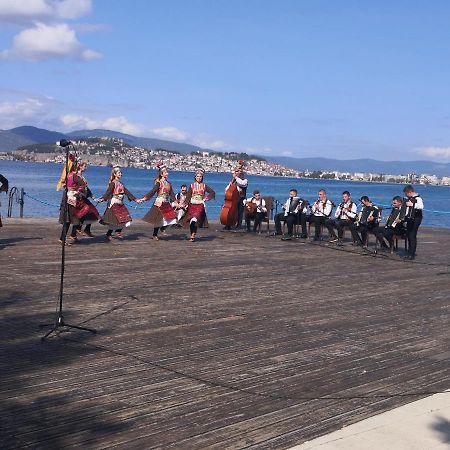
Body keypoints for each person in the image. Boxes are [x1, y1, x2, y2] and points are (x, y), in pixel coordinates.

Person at [96, 166, 138, 242]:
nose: (121, 174)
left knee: (125, 218)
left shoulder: (121, 184)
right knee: (114, 221)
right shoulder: (113, 183)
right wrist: (102, 199)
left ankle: (117, 231)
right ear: (115, 174)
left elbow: (127, 193)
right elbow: (108, 193)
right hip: (114, 203)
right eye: (119, 173)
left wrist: (135, 199)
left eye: (121, 173)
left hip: (120, 203)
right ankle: (109, 234)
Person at [138, 163, 178, 240]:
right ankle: (154, 235)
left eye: (167, 172)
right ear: (162, 174)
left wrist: (176, 202)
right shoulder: (159, 183)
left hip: (166, 202)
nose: (167, 173)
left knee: (172, 217)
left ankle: (162, 229)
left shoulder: (169, 184)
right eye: (166, 172)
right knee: (158, 219)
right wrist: (144, 198)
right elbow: (152, 192)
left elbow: (172, 194)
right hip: (159, 202)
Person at [181, 167, 215, 242]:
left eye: (200, 176)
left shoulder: (204, 186)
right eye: (197, 176)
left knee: (195, 219)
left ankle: (193, 235)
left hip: (200, 205)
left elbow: (212, 192)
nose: (199, 178)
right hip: (192, 205)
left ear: (202, 177)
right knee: (191, 221)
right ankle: (192, 233)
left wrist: (206, 198)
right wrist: (185, 204)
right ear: (195, 177)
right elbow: (188, 196)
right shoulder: (192, 185)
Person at [75, 161, 100, 238]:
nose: (86, 168)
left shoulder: (82, 177)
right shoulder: (76, 176)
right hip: (79, 198)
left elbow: (86, 188)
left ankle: (87, 229)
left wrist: (93, 197)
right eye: (85, 166)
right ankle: (78, 229)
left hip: (84, 197)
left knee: (94, 212)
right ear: (80, 166)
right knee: (83, 212)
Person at [402, 184, 424, 260]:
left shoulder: (418, 198)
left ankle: (412, 254)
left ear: (410, 192)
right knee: (409, 235)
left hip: (416, 219)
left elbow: (421, 206)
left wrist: (412, 204)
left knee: (412, 235)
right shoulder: (409, 198)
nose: (406, 195)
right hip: (410, 218)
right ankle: (409, 252)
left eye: (406, 193)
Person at [224, 163, 248, 229]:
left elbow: (242, 183)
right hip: (233, 199)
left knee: (239, 212)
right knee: (230, 211)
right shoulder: (234, 181)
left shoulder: (245, 180)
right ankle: (228, 224)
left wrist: (236, 177)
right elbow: (226, 189)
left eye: (239, 172)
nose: (237, 173)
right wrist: (231, 183)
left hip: (241, 198)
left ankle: (239, 225)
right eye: (236, 172)